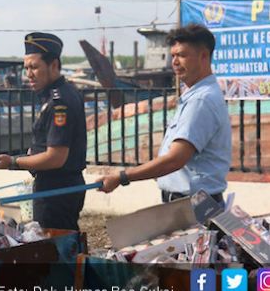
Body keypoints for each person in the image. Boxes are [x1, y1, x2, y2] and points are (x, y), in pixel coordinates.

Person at [97, 24, 231, 204]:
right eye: (173, 55)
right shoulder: (195, 95)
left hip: (194, 205)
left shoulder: (201, 100)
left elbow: (175, 159)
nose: (174, 62)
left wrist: (122, 177)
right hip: (188, 202)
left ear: (204, 56)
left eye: (182, 55)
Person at [0, 32, 87, 231]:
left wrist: (13, 162)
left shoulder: (60, 102)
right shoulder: (57, 95)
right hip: (55, 186)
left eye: (34, 67)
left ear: (53, 65)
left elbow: (56, 158)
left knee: (56, 250)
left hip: (57, 190)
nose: (29, 74)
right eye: (26, 68)